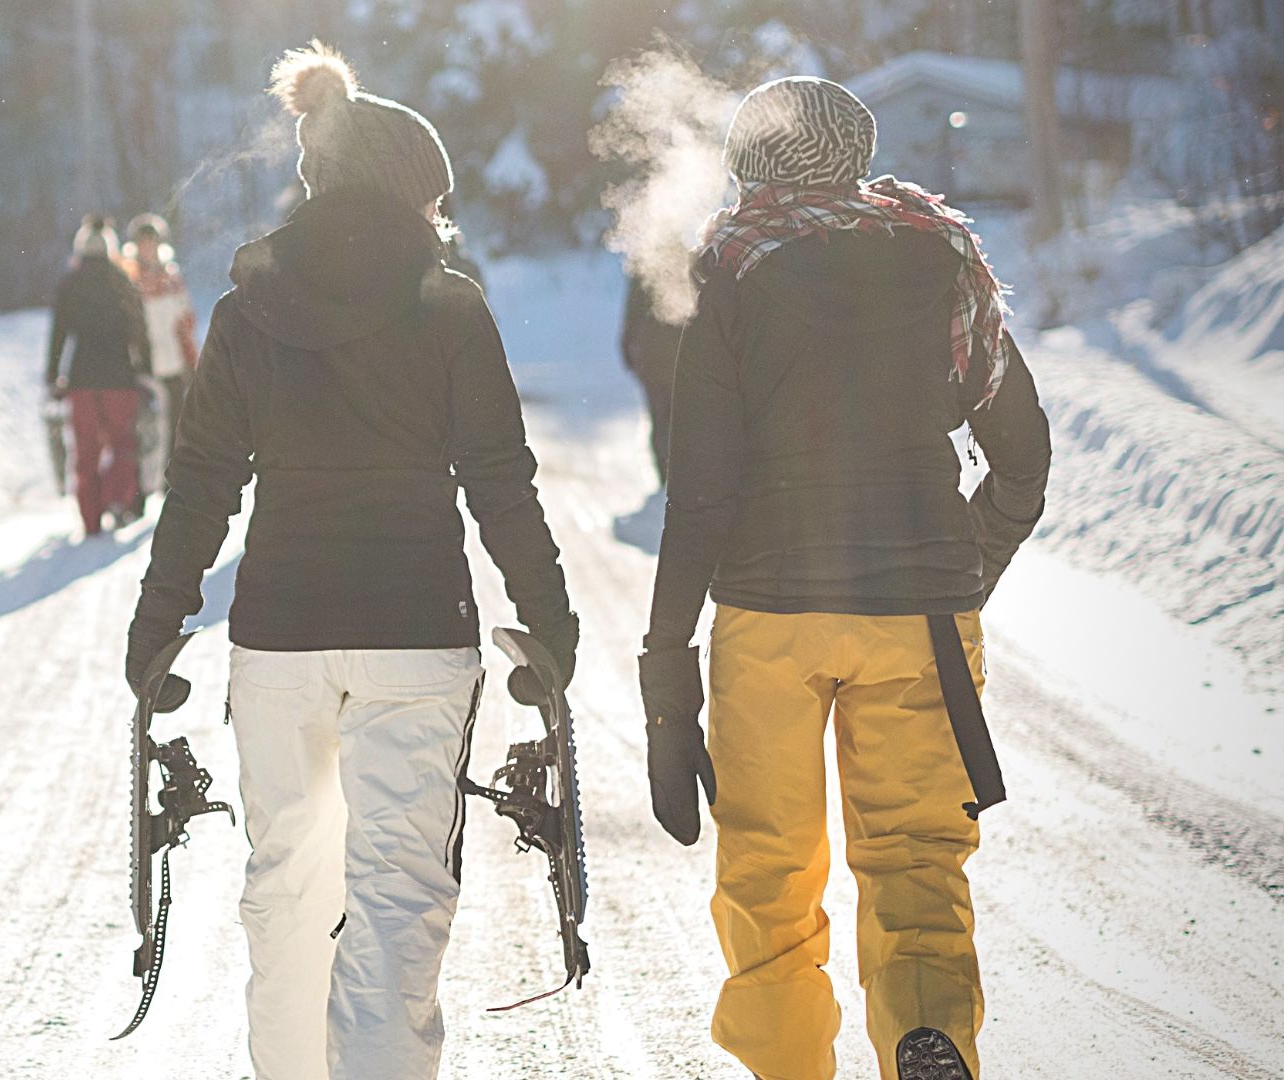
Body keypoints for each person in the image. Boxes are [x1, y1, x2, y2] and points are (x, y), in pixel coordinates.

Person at [124, 42, 576, 1080]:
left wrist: (157, 625)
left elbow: (200, 483)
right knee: (395, 900)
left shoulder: (248, 312)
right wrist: (551, 618)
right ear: (415, 197)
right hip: (417, 634)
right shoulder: (451, 307)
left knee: (285, 893)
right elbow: (501, 480)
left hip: (280, 637)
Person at [635, 76, 1050, 1080]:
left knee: (769, 871)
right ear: (855, 157)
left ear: (750, 165)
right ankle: (928, 1036)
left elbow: (700, 493)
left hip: (769, 623)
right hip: (921, 617)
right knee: (916, 862)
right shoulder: (943, 258)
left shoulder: (731, 270)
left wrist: (665, 661)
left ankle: (787, 1065)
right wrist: (964, 571)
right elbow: (1023, 458)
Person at [46, 214, 151, 535]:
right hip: (121, 377)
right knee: (122, 443)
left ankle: (90, 518)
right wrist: (145, 369)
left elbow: (59, 334)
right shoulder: (122, 280)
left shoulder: (70, 284)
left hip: (81, 380)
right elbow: (140, 330)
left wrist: (53, 375)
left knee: (86, 449)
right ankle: (118, 500)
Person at [125, 213, 199, 472]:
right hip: (144, 369)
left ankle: (171, 484)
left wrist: (193, 362)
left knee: (176, 430)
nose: (148, 248)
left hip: (174, 366)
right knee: (144, 432)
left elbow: (186, 323)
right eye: (143, 242)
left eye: (152, 241)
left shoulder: (172, 278)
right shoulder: (129, 281)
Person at [619, 276, 684, 487]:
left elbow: (631, 315)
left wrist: (628, 352)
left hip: (650, 356)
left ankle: (665, 472)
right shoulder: (685, 261)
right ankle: (675, 473)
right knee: (679, 418)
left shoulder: (643, 268)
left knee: (659, 417)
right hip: (677, 356)